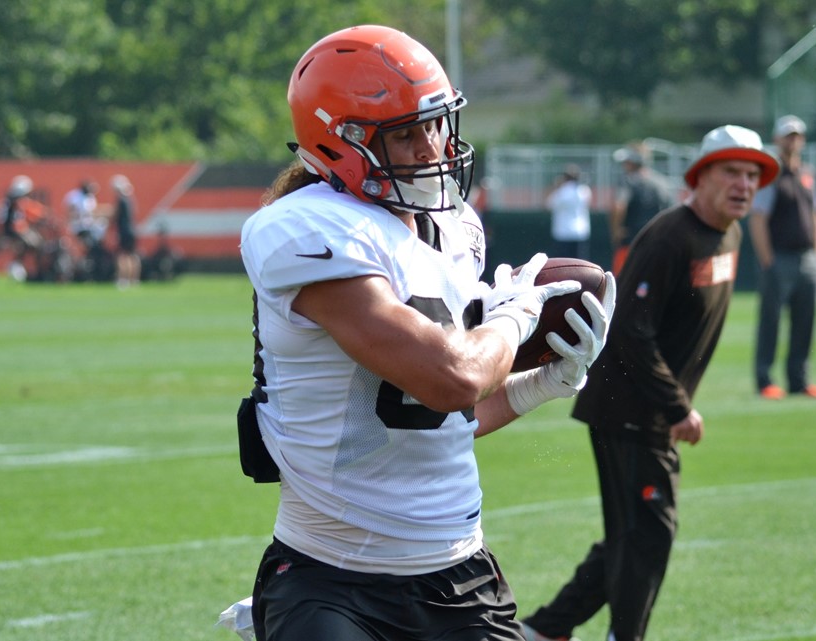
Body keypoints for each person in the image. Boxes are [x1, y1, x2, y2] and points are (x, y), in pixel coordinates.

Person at [233, 25, 616, 641]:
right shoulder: (303, 227)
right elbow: (450, 377)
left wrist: (540, 384)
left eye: (435, 123)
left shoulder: (457, 228)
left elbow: (440, 419)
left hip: (458, 576)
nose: (432, 146)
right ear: (342, 143)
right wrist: (513, 320)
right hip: (330, 580)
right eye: (405, 133)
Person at [520, 125, 779, 641]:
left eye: (752, 175)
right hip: (628, 410)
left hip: (650, 411)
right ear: (700, 177)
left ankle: (544, 630)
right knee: (648, 535)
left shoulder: (728, 233)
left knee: (630, 535)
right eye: (731, 171)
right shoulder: (669, 237)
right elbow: (630, 330)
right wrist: (677, 405)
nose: (744, 184)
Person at [748, 115, 816, 400]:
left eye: (797, 136)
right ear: (777, 139)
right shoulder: (770, 175)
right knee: (770, 321)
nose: (793, 140)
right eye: (788, 136)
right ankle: (765, 380)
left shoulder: (807, 174)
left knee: (805, 322)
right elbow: (758, 219)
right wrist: (767, 260)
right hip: (779, 258)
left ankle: (799, 380)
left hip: (807, 260)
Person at [608, 143, 674, 276]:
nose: (624, 165)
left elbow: (618, 206)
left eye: (627, 161)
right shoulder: (662, 183)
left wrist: (615, 231)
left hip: (630, 243)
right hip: (656, 244)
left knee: (622, 287)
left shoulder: (627, 181)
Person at [0, 175, 46, 282]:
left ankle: (25, 268)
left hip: (16, 230)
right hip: (14, 231)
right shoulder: (13, 202)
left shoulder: (8, 202)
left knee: (33, 245)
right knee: (33, 243)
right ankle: (25, 269)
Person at [545, 164, 593, 260]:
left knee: (562, 266)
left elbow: (548, 204)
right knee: (580, 264)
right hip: (580, 232)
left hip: (563, 233)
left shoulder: (561, 192)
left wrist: (556, 186)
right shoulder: (585, 191)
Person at [110, 174, 140, 288]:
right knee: (132, 256)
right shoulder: (130, 199)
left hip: (124, 231)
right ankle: (134, 280)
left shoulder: (120, 200)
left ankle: (123, 279)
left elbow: (115, 215)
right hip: (132, 230)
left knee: (122, 256)